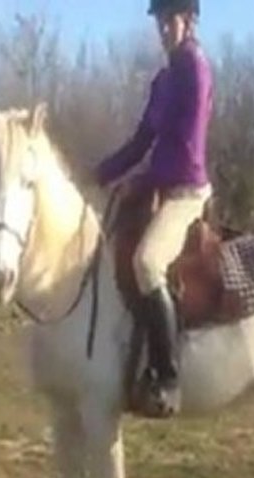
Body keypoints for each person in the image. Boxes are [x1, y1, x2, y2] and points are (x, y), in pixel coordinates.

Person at [92, 0, 213, 417]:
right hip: (160, 187)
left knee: (147, 263)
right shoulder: (163, 80)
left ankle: (167, 376)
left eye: (170, 20)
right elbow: (143, 139)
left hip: (185, 192)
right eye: (160, 21)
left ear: (190, 21)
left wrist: (141, 182)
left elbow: (184, 147)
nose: (163, 28)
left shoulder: (195, 69)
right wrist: (101, 173)